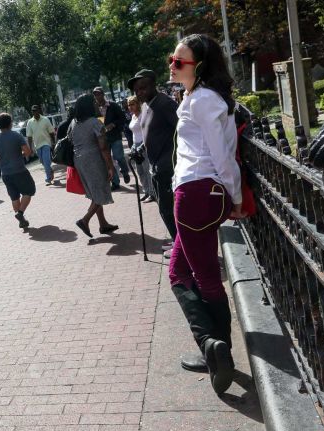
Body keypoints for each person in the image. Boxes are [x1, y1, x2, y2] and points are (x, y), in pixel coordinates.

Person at [167, 34, 244, 395]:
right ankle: (216, 348)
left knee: (202, 276)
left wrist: (236, 195)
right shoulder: (198, 99)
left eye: (179, 61)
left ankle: (215, 348)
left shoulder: (204, 101)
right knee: (181, 271)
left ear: (199, 66)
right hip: (200, 193)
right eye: (172, 58)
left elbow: (221, 154)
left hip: (197, 194)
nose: (172, 64)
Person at [128, 69, 179, 250]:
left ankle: (181, 248)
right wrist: (141, 149)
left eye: (143, 87)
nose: (139, 92)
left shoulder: (165, 104)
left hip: (167, 167)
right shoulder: (146, 106)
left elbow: (181, 132)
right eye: (136, 90)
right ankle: (178, 243)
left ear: (153, 85)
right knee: (164, 209)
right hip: (156, 165)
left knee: (168, 209)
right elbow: (152, 134)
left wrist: (169, 159)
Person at [70, 94, 118, 238]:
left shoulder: (74, 122)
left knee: (94, 191)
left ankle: (103, 224)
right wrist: (110, 166)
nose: (97, 104)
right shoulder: (95, 123)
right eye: (94, 102)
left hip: (79, 160)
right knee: (102, 189)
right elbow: (103, 147)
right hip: (93, 159)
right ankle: (85, 220)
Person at [0, 112, 35, 229]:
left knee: (14, 197)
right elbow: (27, 152)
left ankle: (22, 221)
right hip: (19, 170)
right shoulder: (16, 136)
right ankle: (20, 214)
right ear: (10, 123)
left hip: (5, 174)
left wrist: (3, 157)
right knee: (29, 191)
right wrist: (19, 154)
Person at [92, 87, 130, 190]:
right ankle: (115, 182)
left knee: (118, 156)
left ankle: (125, 171)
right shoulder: (94, 109)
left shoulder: (112, 105)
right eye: (95, 95)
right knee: (108, 161)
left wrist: (113, 124)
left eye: (99, 94)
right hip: (103, 138)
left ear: (103, 94)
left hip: (115, 136)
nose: (97, 96)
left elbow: (122, 118)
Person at [127, 96, 155, 203]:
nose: (131, 107)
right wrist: (133, 146)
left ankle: (152, 193)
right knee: (140, 171)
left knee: (147, 170)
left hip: (144, 145)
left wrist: (142, 145)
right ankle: (146, 191)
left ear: (138, 104)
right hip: (135, 145)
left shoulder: (143, 115)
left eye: (133, 104)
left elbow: (148, 131)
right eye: (129, 105)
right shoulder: (133, 116)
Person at [25, 105, 56, 185]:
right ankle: (50, 170)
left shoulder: (45, 120)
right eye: (33, 111)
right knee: (43, 161)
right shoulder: (30, 122)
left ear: (39, 110)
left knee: (46, 160)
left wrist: (53, 142)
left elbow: (51, 132)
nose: (34, 112)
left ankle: (48, 178)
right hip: (37, 145)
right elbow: (29, 136)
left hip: (46, 143)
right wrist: (30, 148)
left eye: (36, 110)